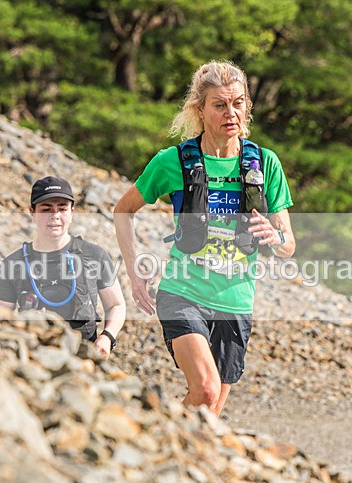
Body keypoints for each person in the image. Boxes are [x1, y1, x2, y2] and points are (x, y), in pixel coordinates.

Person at [114, 60, 295, 416]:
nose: (232, 113)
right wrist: (134, 273)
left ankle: (155, 445)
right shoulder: (173, 162)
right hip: (183, 292)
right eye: (220, 105)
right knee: (207, 390)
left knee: (207, 415)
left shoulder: (266, 163)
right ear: (200, 110)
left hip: (236, 300)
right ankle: (141, 440)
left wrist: (275, 236)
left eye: (239, 103)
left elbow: (288, 245)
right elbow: (123, 210)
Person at [0, 175, 125, 359]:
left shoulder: (94, 255)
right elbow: (0, 317)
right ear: (32, 213)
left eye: (62, 208)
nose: (55, 216)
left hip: (85, 358)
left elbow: (116, 305)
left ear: (72, 212)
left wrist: (107, 337)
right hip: (33, 358)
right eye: (46, 209)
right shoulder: (12, 264)